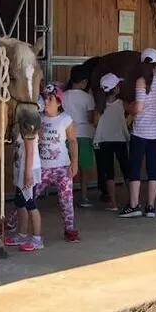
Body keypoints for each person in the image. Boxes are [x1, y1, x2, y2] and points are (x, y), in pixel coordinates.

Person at [120, 48, 156, 218]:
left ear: (142, 63)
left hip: (140, 131)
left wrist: (127, 106)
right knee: (153, 168)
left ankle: (134, 205)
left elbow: (138, 108)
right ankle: (150, 206)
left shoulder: (141, 81)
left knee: (135, 167)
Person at [38, 83, 81, 241]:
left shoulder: (65, 119)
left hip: (62, 167)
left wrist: (74, 162)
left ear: (58, 102)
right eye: (44, 97)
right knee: (27, 195)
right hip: (42, 167)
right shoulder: (38, 118)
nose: (46, 101)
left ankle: (69, 229)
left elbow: (72, 141)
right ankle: (11, 223)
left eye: (50, 98)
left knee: (66, 199)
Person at [6, 99, 44, 251]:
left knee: (30, 204)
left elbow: (30, 153)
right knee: (20, 203)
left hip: (28, 169)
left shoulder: (29, 127)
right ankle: (22, 234)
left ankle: (37, 239)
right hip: (20, 169)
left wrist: (27, 175)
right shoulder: (20, 125)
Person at [94, 73, 131, 212]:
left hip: (104, 141)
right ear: (115, 89)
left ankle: (113, 203)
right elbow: (132, 113)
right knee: (126, 170)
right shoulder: (121, 103)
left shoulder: (99, 106)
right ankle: (133, 200)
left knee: (109, 173)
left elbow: (95, 122)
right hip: (120, 140)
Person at [62, 65, 96, 208]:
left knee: (67, 168)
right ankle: (84, 197)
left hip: (66, 134)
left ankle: (66, 197)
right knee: (84, 169)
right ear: (84, 81)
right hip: (84, 133)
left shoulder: (63, 95)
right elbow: (91, 118)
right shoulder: (88, 97)